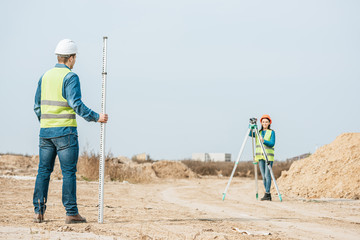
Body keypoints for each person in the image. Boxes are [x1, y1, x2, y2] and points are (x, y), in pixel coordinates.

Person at [33, 39, 108, 224]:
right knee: (68, 173)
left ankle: (38, 212)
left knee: (43, 171)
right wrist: (96, 117)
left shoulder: (45, 76)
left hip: (45, 132)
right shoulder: (70, 77)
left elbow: (37, 106)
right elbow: (76, 104)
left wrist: (46, 123)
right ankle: (71, 213)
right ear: (71, 58)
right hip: (65, 132)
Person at [253, 114, 276, 201]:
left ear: (269, 122)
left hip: (268, 157)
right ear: (261, 123)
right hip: (260, 156)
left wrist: (264, 141)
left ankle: (267, 193)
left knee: (267, 175)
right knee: (263, 176)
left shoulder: (272, 132)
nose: (265, 123)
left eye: (266, 122)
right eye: (263, 122)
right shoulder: (258, 132)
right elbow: (250, 134)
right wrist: (251, 125)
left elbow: (272, 143)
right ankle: (267, 194)